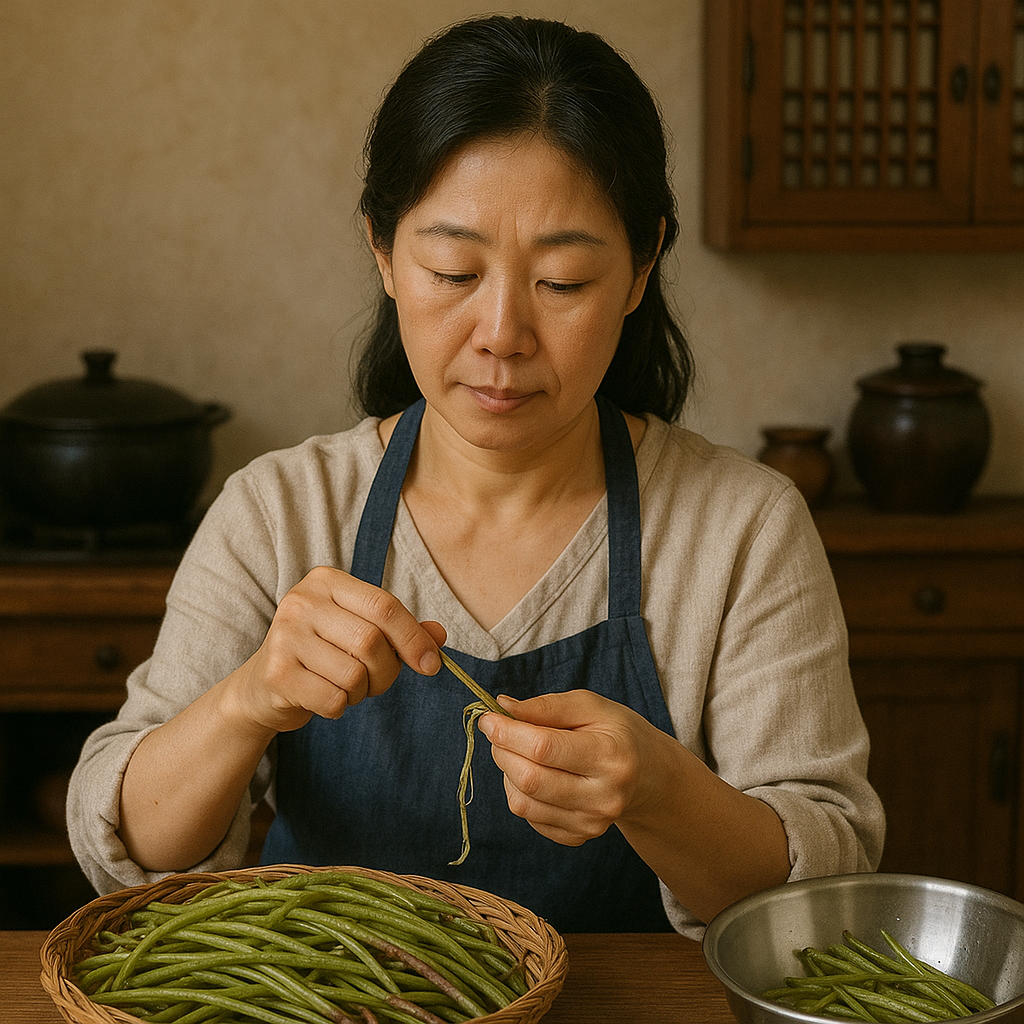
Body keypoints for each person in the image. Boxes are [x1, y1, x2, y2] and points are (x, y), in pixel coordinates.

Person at [67, 14, 884, 938]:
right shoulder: (280, 512)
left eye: (564, 282)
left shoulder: (741, 529)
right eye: (454, 270)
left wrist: (658, 791)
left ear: (643, 263)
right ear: (382, 250)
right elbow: (129, 847)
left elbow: (825, 888)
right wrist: (247, 699)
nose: (503, 333)